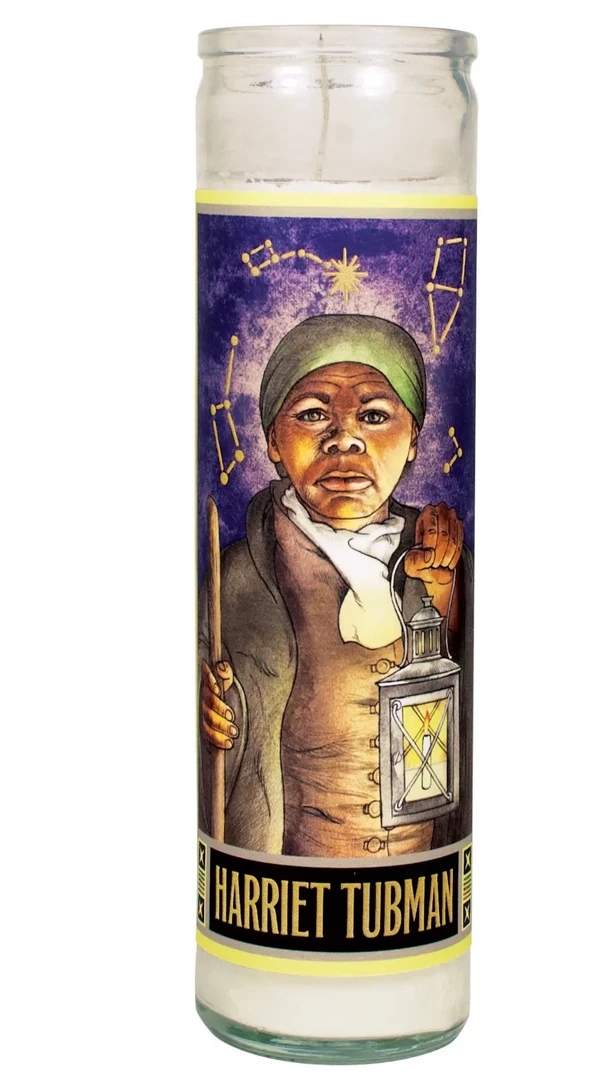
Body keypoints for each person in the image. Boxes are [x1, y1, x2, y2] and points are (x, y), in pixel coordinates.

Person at [199, 314, 472, 858]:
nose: (344, 439)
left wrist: (448, 592)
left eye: (373, 416)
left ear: (413, 439)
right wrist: (205, 701)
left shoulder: (444, 557)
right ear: (273, 440)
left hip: (421, 879)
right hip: (279, 880)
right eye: (312, 414)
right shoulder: (233, 578)